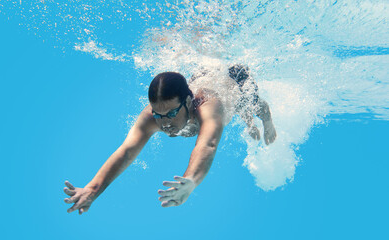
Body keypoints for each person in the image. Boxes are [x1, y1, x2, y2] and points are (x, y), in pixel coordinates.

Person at [64, 65, 276, 215]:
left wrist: (191, 180)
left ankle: (258, 119)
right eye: (158, 114)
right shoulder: (153, 117)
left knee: (254, 107)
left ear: (187, 102)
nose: (164, 123)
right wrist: (92, 189)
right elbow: (127, 151)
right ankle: (247, 119)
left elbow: (207, 144)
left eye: (171, 114)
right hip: (205, 79)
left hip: (235, 81)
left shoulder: (209, 107)